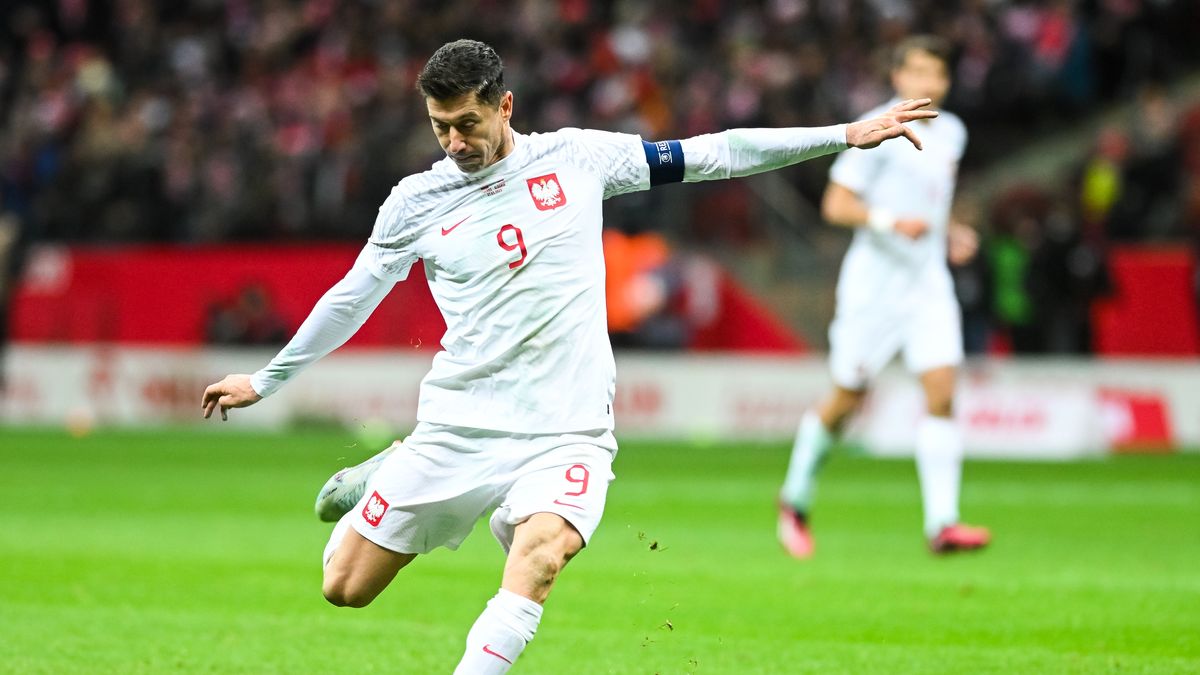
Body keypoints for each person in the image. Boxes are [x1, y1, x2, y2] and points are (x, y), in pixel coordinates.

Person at [202, 39, 937, 673]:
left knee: (541, 556)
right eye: (439, 128)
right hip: (459, 423)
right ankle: (387, 468)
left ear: (506, 106)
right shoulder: (415, 202)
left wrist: (844, 133)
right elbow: (348, 298)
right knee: (344, 587)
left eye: (467, 124)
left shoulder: (581, 158)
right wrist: (266, 381)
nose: (454, 143)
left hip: (567, 428)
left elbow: (718, 152)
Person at [777, 36, 991, 559]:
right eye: (915, 72)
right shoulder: (877, 128)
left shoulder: (952, 133)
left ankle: (942, 523)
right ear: (897, 78)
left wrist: (949, 232)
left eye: (936, 74)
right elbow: (835, 205)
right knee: (847, 397)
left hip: (927, 285)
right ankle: (795, 498)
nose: (926, 83)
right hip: (874, 288)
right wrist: (891, 222)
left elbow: (932, 202)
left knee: (941, 394)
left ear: (945, 82)